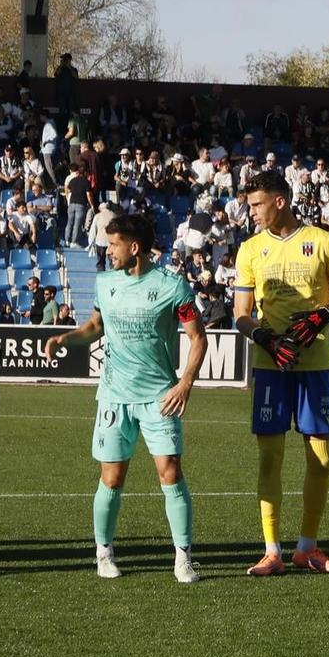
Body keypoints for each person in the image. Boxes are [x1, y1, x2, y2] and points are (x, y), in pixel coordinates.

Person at [44, 214, 206, 584]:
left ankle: (183, 558)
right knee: (112, 477)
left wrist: (184, 384)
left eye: (113, 244)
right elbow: (95, 327)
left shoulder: (172, 286)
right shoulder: (105, 283)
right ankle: (104, 552)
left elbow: (197, 337)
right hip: (114, 397)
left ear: (134, 247)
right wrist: (65, 338)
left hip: (158, 397)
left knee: (171, 473)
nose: (107, 250)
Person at [231, 170, 329, 576]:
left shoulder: (322, 241)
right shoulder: (250, 250)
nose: (250, 212)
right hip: (271, 366)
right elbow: (241, 314)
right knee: (270, 458)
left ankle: (307, 548)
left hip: (315, 365)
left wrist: (327, 311)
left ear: (280, 201)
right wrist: (267, 340)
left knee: (320, 458)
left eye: (256, 204)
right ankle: (272, 550)